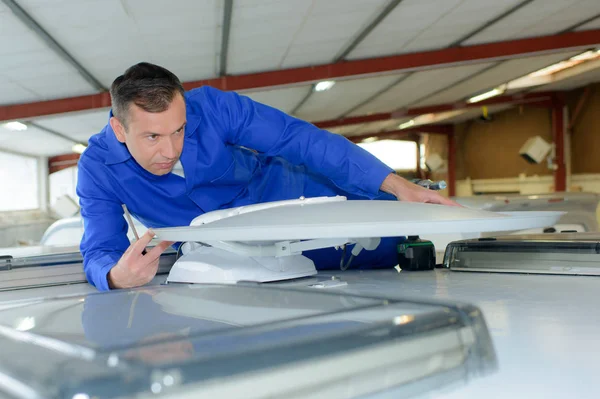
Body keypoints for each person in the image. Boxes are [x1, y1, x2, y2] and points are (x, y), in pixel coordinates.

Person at [77, 62, 457, 291]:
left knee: (384, 245)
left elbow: (299, 140)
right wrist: (113, 277)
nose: (171, 150)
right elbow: (99, 247)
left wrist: (395, 184)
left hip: (290, 200)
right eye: (153, 137)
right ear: (120, 129)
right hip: (228, 254)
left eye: (179, 130)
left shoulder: (213, 108)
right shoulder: (96, 168)